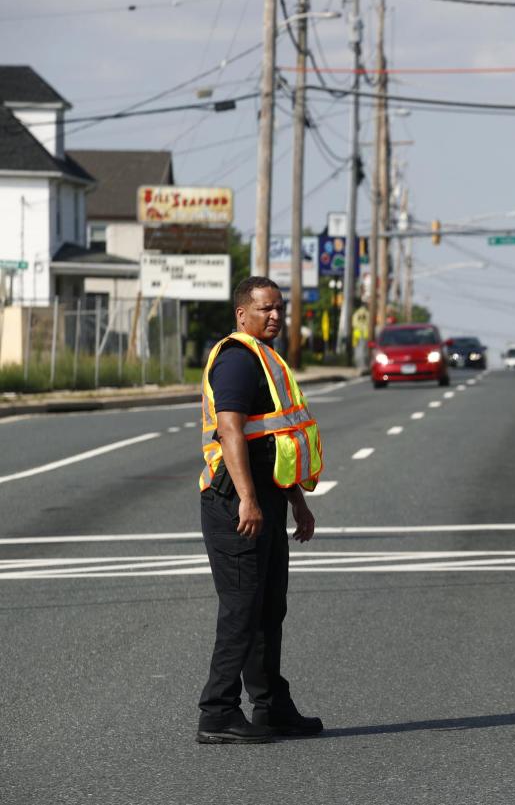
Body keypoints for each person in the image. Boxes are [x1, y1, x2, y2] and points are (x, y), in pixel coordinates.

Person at [196, 276, 325, 744]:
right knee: (242, 610)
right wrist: (248, 500)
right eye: (266, 308)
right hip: (235, 500)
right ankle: (217, 713)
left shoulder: (267, 359)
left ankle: (271, 708)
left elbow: (276, 440)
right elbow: (230, 432)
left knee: (269, 608)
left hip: (266, 497)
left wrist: (297, 503)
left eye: (279, 308)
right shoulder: (236, 361)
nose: (275, 316)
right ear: (242, 313)